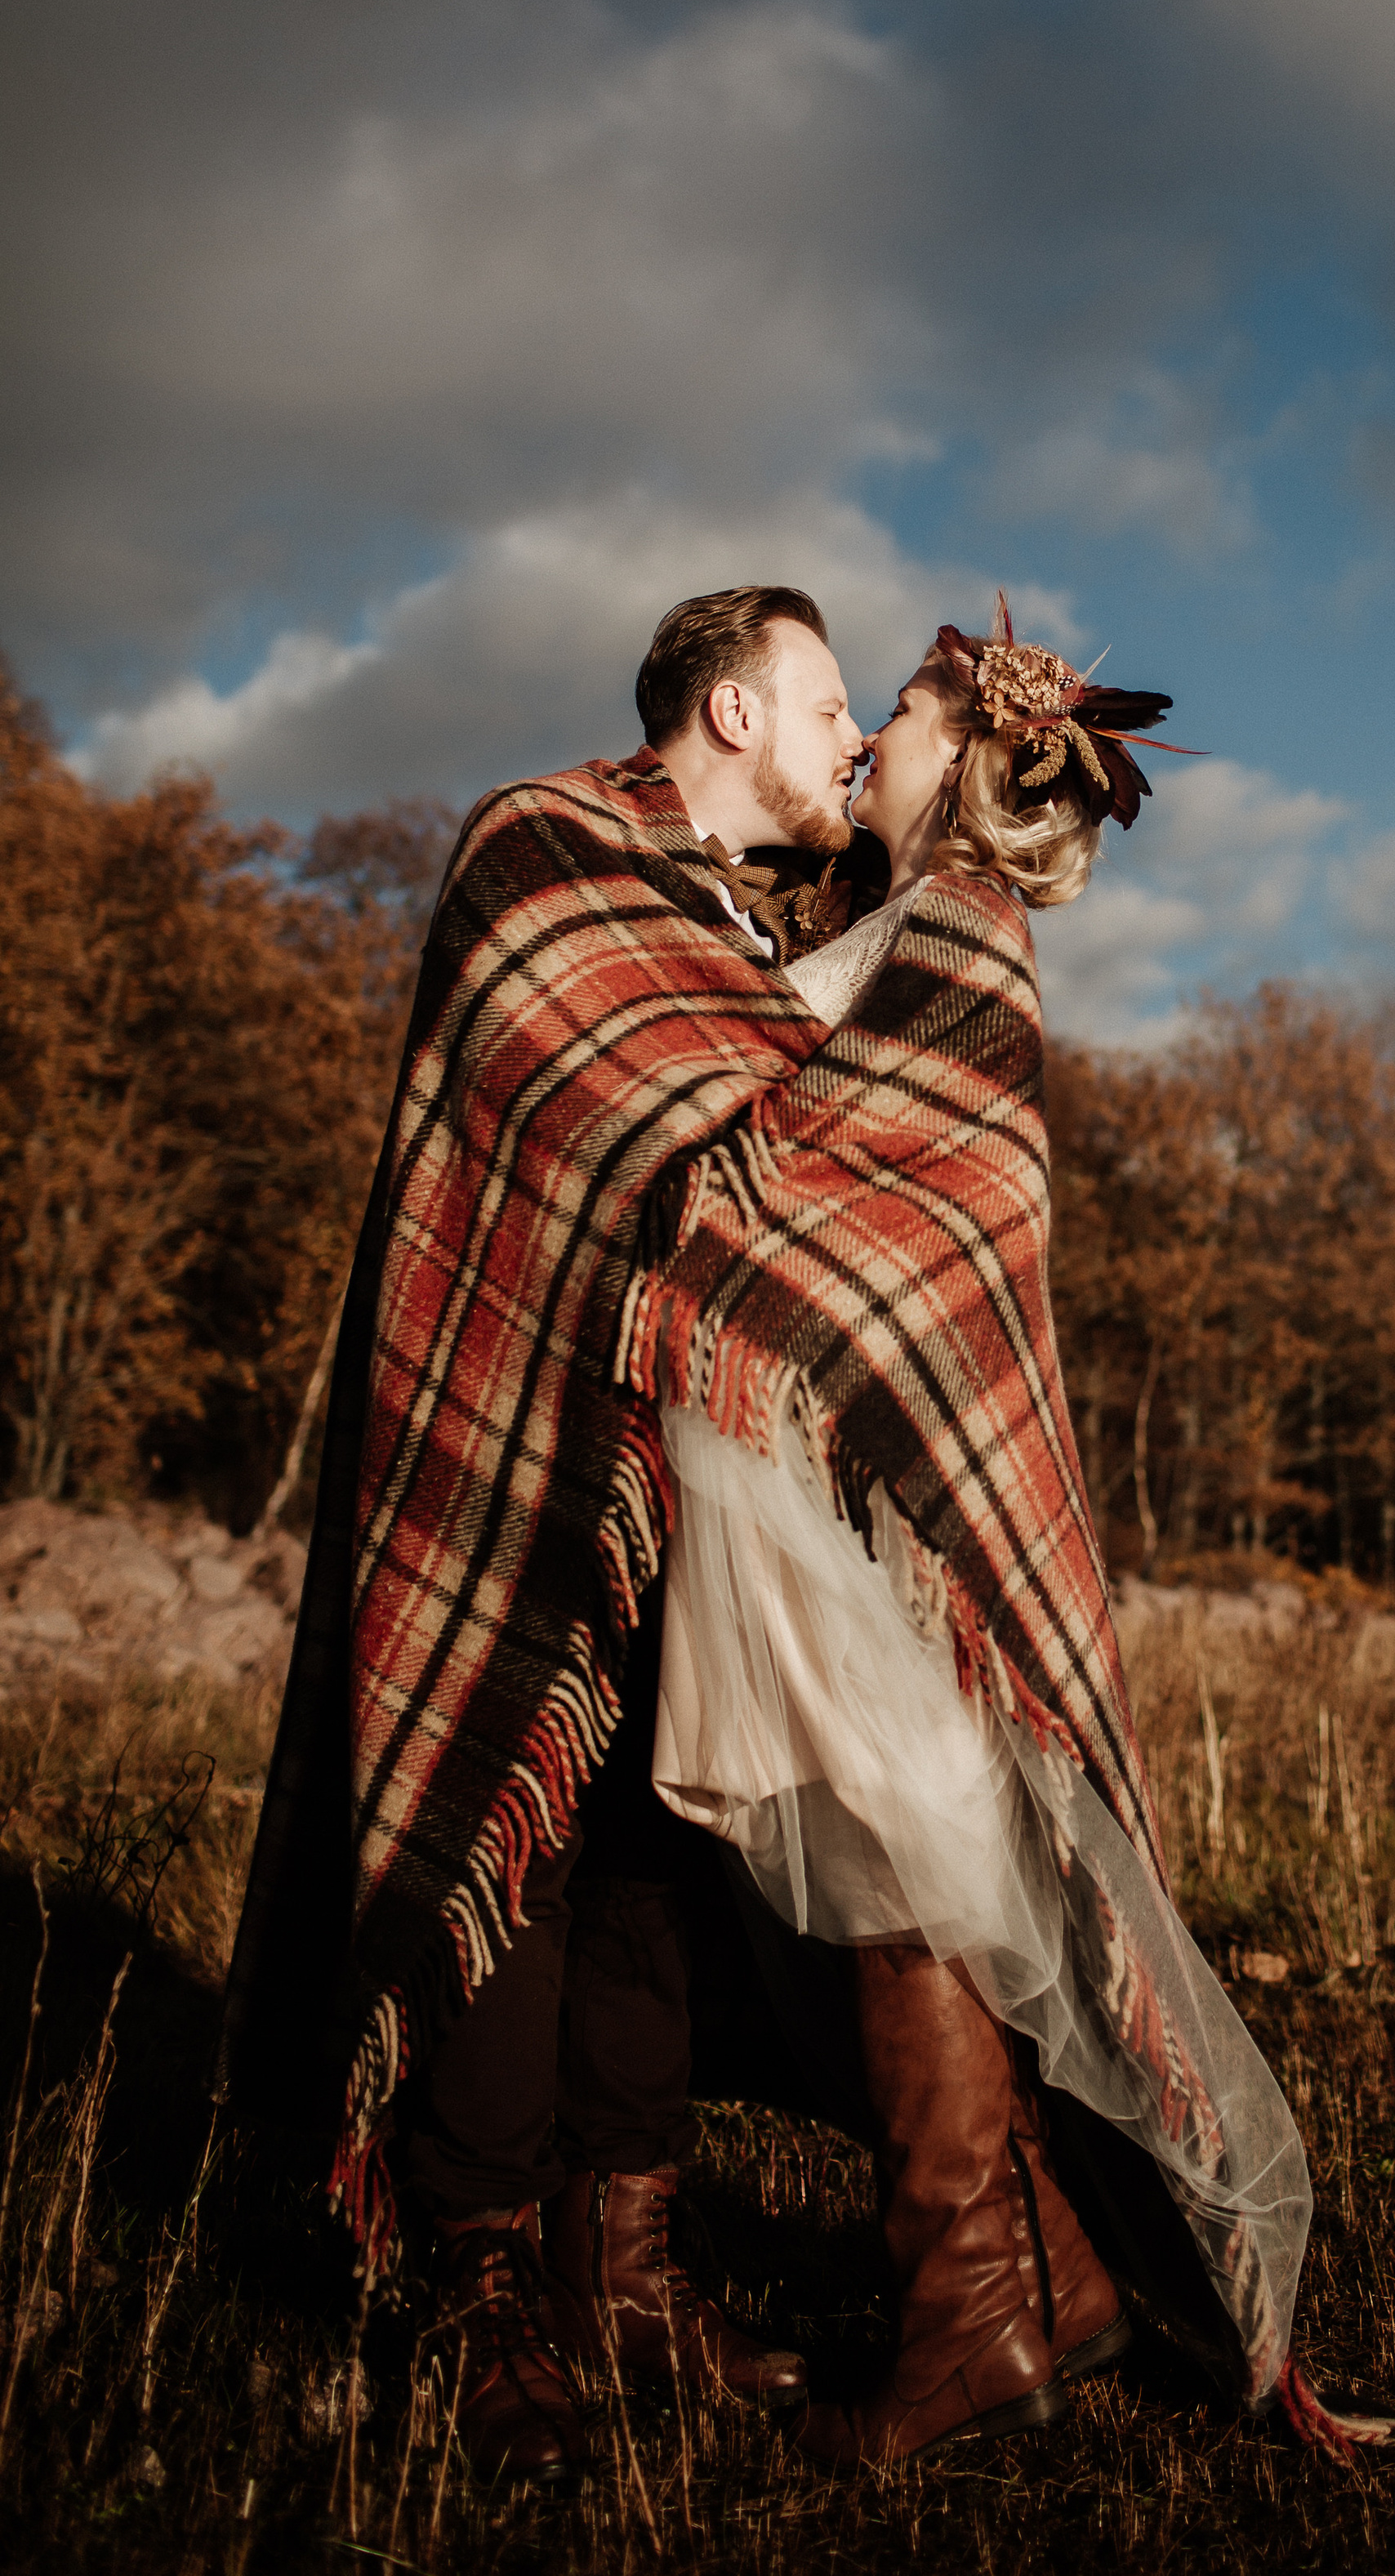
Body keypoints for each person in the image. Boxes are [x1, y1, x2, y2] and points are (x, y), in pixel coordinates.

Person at [626, 600, 1395, 2465]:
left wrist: (714, 1262)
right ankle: (1019, 2277)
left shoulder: (959, 935)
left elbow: (896, 1216)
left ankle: (981, 2300)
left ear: (967, 759)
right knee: (890, 1839)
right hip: (795, 1469)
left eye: (887, 711)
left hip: (832, 1470)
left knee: (905, 1837)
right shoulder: (870, 929)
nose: (862, 739)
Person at [220, 584, 874, 2489]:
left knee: (656, 1847)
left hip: (695, 1466)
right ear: (733, 706)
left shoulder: (783, 927)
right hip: (515, 1432)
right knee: (501, 1827)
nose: (847, 741)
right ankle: (481, 2276)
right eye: (829, 704)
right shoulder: (545, 844)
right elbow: (592, 1128)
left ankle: (631, 2264)